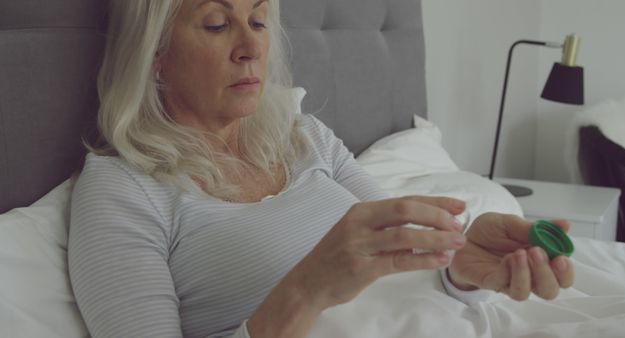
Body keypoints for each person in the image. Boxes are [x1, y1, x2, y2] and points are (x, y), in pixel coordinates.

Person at [67, 0, 575, 337]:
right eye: (218, 24)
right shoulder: (121, 188)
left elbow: (400, 253)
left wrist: (459, 268)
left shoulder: (303, 136)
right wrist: (305, 290)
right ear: (155, 50)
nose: (251, 47)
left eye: (260, 20)